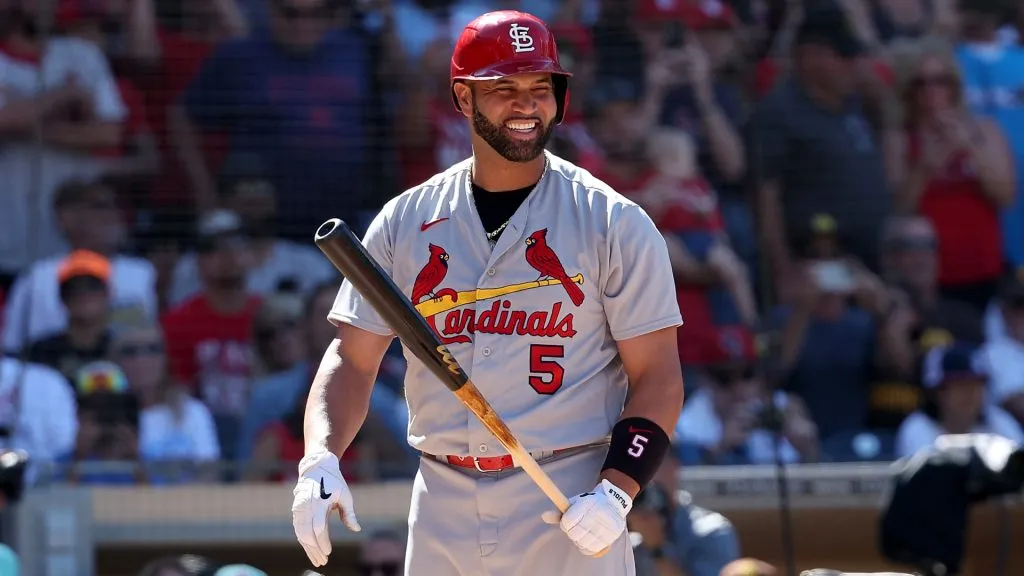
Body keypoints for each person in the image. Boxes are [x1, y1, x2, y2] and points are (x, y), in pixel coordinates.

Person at [290, 10, 685, 576]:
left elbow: (659, 377)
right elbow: (352, 358)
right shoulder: (406, 219)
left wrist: (618, 490)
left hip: (567, 494)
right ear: (464, 98)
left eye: (539, 87)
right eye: (504, 88)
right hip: (441, 495)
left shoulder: (613, 221)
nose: (526, 104)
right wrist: (320, 456)